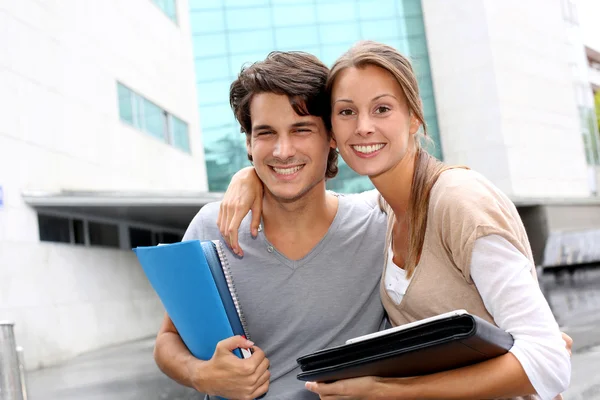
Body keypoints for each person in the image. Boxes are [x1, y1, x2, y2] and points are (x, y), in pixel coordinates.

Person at [218, 41, 571, 400]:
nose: (364, 127)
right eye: (347, 112)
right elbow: (305, 195)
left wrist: (391, 392)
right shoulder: (386, 209)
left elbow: (550, 360)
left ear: (414, 117)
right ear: (333, 134)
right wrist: (251, 178)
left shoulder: (460, 200)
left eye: (382, 109)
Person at [152, 51, 389, 400]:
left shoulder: (378, 225)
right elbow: (168, 340)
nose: (282, 150)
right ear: (249, 144)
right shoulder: (211, 226)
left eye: (301, 129)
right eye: (265, 133)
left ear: (332, 137)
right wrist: (201, 374)